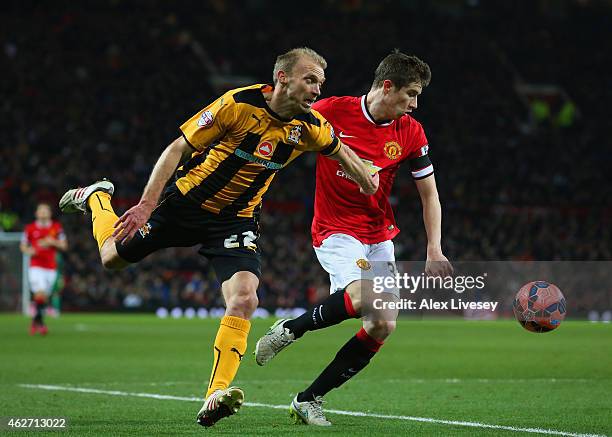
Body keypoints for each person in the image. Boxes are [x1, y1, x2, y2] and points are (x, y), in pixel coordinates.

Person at [58, 47, 378, 427]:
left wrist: (367, 181)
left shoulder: (310, 128)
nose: (316, 89)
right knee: (111, 258)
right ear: (283, 78)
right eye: (310, 80)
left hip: (235, 221)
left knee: (244, 298)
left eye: (321, 83)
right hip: (184, 205)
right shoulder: (237, 105)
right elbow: (177, 147)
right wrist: (146, 204)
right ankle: (97, 197)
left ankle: (215, 394)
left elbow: (343, 153)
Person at [254, 51, 454, 426]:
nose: (414, 105)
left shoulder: (411, 132)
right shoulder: (331, 110)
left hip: (378, 235)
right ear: (387, 86)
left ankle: (308, 399)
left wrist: (434, 248)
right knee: (365, 298)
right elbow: (285, 142)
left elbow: (430, 195)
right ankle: (289, 330)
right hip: (335, 229)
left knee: (383, 324)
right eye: (411, 94)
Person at [20, 203, 68, 335]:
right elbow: (23, 246)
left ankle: (36, 321)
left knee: (44, 298)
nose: (43, 213)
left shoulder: (56, 228)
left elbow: (64, 246)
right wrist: (29, 251)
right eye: (40, 211)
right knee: (39, 293)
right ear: (36, 213)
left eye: (45, 210)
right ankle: (41, 324)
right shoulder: (30, 228)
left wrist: (51, 242)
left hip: (51, 267)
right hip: (35, 267)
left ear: (49, 213)